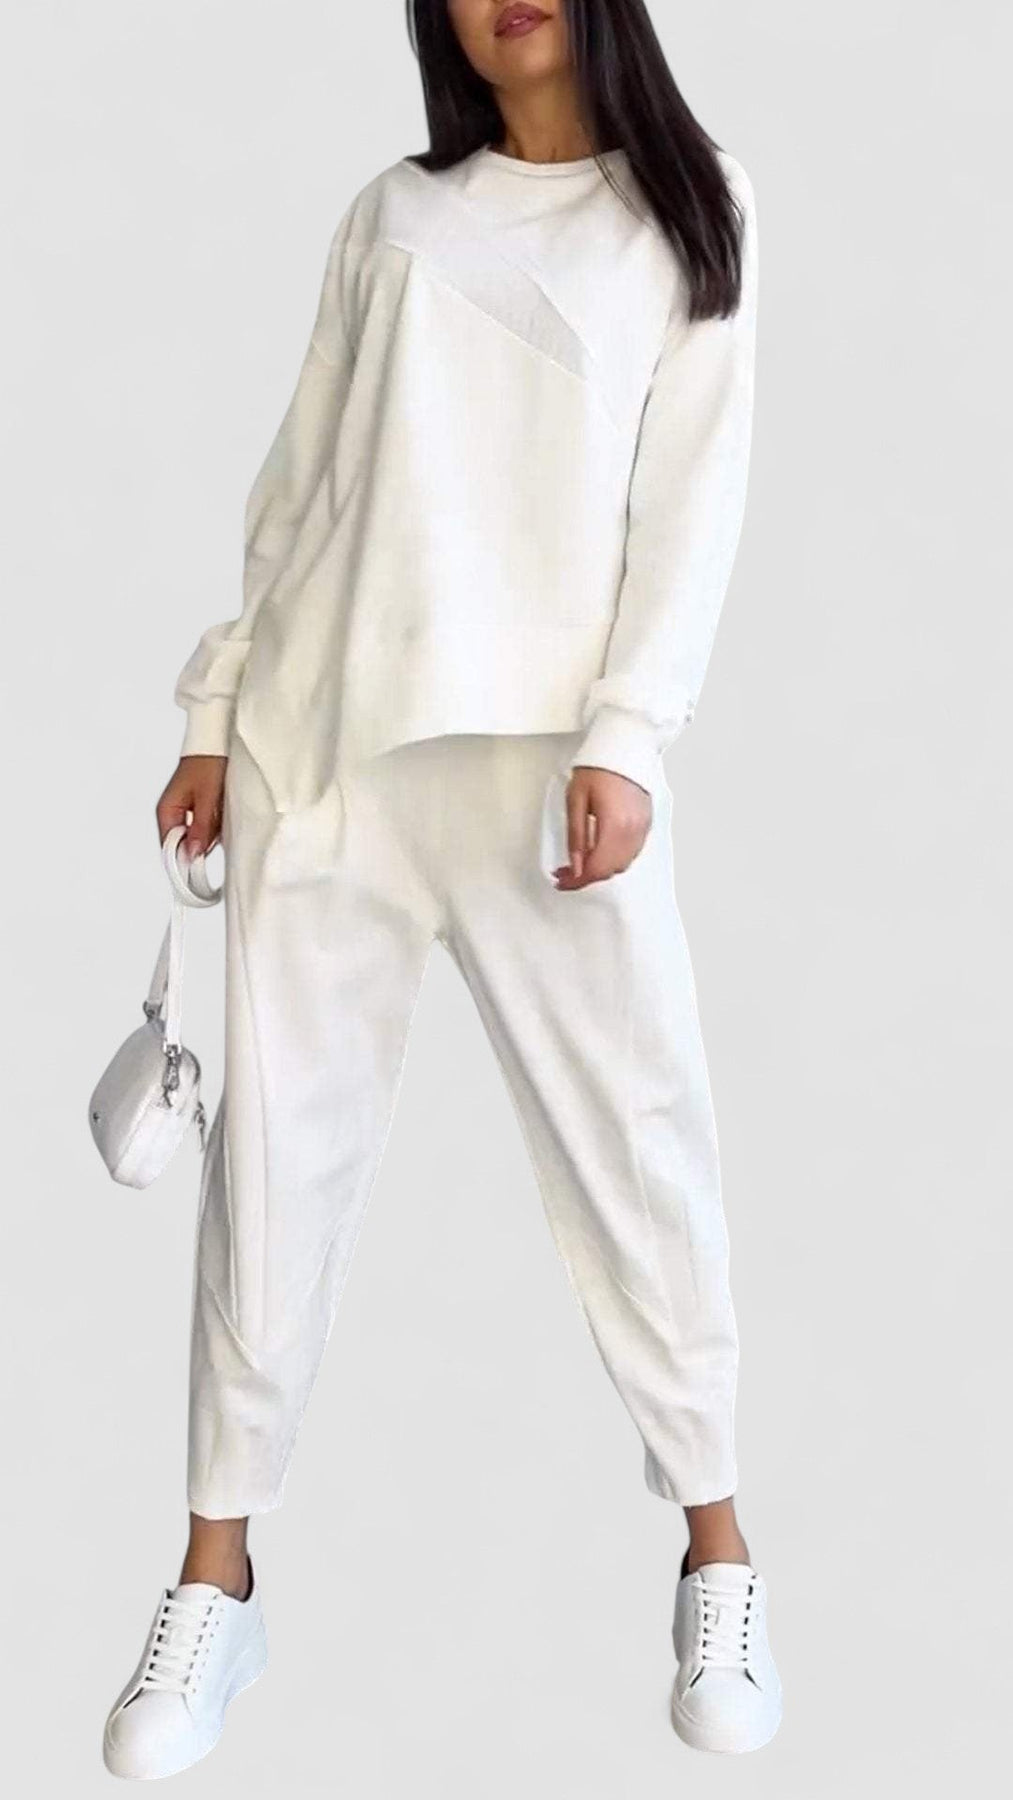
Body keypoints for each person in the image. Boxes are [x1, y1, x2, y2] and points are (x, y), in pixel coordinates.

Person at [102, 0, 781, 1778]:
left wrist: (628, 736)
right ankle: (215, 1582)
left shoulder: (690, 210)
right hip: (324, 746)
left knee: (637, 1135)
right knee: (272, 1169)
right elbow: (305, 483)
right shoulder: (394, 214)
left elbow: (690, 502)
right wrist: (216, 709)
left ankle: (718, 1549)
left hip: (542, 770)